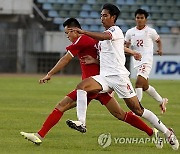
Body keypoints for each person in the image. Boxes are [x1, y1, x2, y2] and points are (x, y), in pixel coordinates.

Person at [20, 18, 158, 146]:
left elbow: (65, 59)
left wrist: (50, 74)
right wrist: (132, 52)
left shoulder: (82, 39)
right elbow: (115, 47)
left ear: (75, 30)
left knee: (61, 106)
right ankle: (151, 132)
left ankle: (40, 135)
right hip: (102, 85)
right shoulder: (93, 40)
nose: (67, 36)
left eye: (68, 33)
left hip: (93, 85)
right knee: (120, 114)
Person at [66, 4, 179, 150]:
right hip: (105, 77)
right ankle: (82, 122)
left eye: (105, 15)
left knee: (138, 110)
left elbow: (105, 36)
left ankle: (167, 132)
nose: (102, 18)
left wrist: (84, 32)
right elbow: (110, 53)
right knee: (82, 87)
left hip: (119, 78)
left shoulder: (115, 31)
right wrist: (94, 61)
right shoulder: (103, 38)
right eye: (101, 15)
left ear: (113, 17)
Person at [124, 9, 168, 114]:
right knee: (145, 86)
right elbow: (126, 45)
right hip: (137, 61)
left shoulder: (150, 31)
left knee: (138, 83)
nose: (139, 20)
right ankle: (162, 101)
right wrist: (128, 51)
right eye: (137, 18)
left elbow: (158, 40)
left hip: (147, 60)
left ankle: (136, 109)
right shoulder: (130, 32)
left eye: (141, 18)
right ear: (135, 19)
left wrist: (160, 49)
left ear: (145, 19)